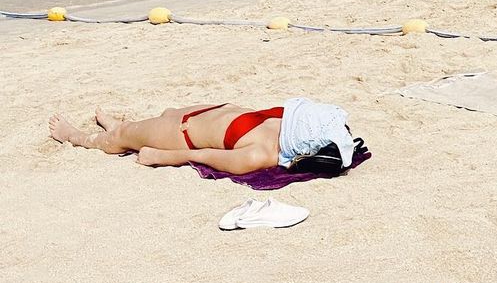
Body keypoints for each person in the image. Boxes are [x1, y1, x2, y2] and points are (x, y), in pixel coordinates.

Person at [48, 97, 356, 177]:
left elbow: (205, 156)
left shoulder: (259, 154)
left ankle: (75, 136)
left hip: (182, 136)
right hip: (203, 114)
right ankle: (123, 126)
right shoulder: (288, 123)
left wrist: (161, 157)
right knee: (165, 113)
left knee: (120, 138)